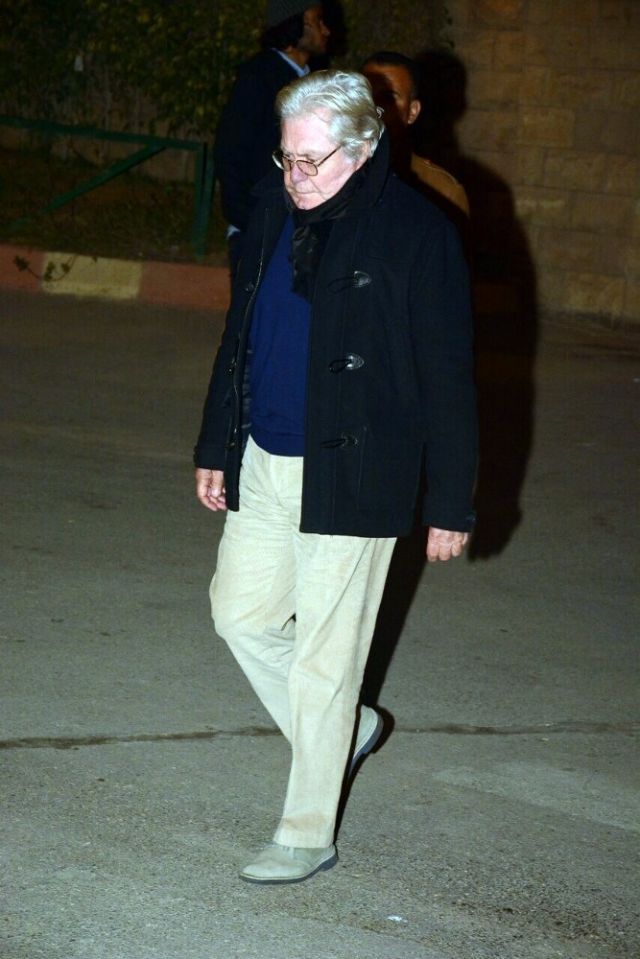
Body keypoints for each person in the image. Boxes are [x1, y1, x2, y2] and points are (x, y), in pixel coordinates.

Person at [194, 70, 477, 885]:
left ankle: (305, 831)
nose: (296, 176)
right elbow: (239, 336)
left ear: (363, 148)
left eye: (312, 161)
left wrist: (451, 500)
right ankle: (344, 728)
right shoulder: (273, 206)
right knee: (238, 614)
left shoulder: (417, 234)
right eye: (287, 158)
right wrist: (216, 443)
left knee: (326, 658)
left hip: (356, 466)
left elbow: (449, 378)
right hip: (266, 455)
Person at [214, 0, 330, 273]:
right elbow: (230, 151)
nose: (326, 30)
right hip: (262, 231)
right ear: (295, 25)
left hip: (300, 230)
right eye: (318, 21)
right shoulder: (259, 77)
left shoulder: (314, 81)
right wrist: (249, 221)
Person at [361, 50, 469, 218]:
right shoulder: (326, 171)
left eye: (388, 98)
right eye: (365, 95)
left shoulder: (442, 192)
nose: (374, 108)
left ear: (412, 111)